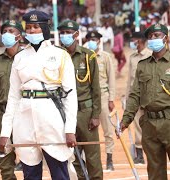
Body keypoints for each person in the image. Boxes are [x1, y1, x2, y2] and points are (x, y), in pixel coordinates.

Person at [0, 11, 78, 179]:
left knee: (60, 174)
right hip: (24, 122)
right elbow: (13, 98)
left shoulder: (60, 55)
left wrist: (70, 129)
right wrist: (5, 132)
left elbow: (70, 95)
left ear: (45, 28)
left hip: (52, 122)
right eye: (28, 27)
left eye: (36, 27)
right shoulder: (19, 58)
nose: (32, 31)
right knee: (30, 175)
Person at [121, 23, 170, 180]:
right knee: (155, 173)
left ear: (165, 38)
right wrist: (126, 119)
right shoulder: (142, 66)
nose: (153, 39)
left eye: (157, 36)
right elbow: (135, 95)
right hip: (149, 124)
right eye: (150, 37)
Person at [57, 20, 103, 179]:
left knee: (92, 155)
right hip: (65, 112)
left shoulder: (88, 56)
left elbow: (96, 87)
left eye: (67, 32)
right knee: (72, 154)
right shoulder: (57, 56)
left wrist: (96, 114)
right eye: (61, 33)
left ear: (76, 35)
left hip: (85, 112)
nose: (64, 36)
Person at [0, 20, 23, 179]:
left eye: (11, 30)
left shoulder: (27, 57)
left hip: (24, 114)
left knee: (30, 156)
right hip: (2, 115)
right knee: (4, 161)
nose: (7, 34)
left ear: (19, 36)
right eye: (4, 31)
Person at [86, 30, 116, 171]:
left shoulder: (105, 57)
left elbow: (111, 79)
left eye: (94, 39)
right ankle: (88, 161)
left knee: (108, 130)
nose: (92, 41)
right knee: (88, 130)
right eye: (90, 39)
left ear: (99, 41)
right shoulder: (85, 56)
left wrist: (111, 98)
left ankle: (109, 159)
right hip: (88, 97)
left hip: (103, 96)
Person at [125, 32, 152, 164]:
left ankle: (152, 152)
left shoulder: (150, 55)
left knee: (150, 124)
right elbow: (130, 78)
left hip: (148, 96)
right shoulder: (132, 57)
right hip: (135, 96)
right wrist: (127, 97)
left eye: (133, 40)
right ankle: (139, 154)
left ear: (140, 41)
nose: (132, 42)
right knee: (137, 124)